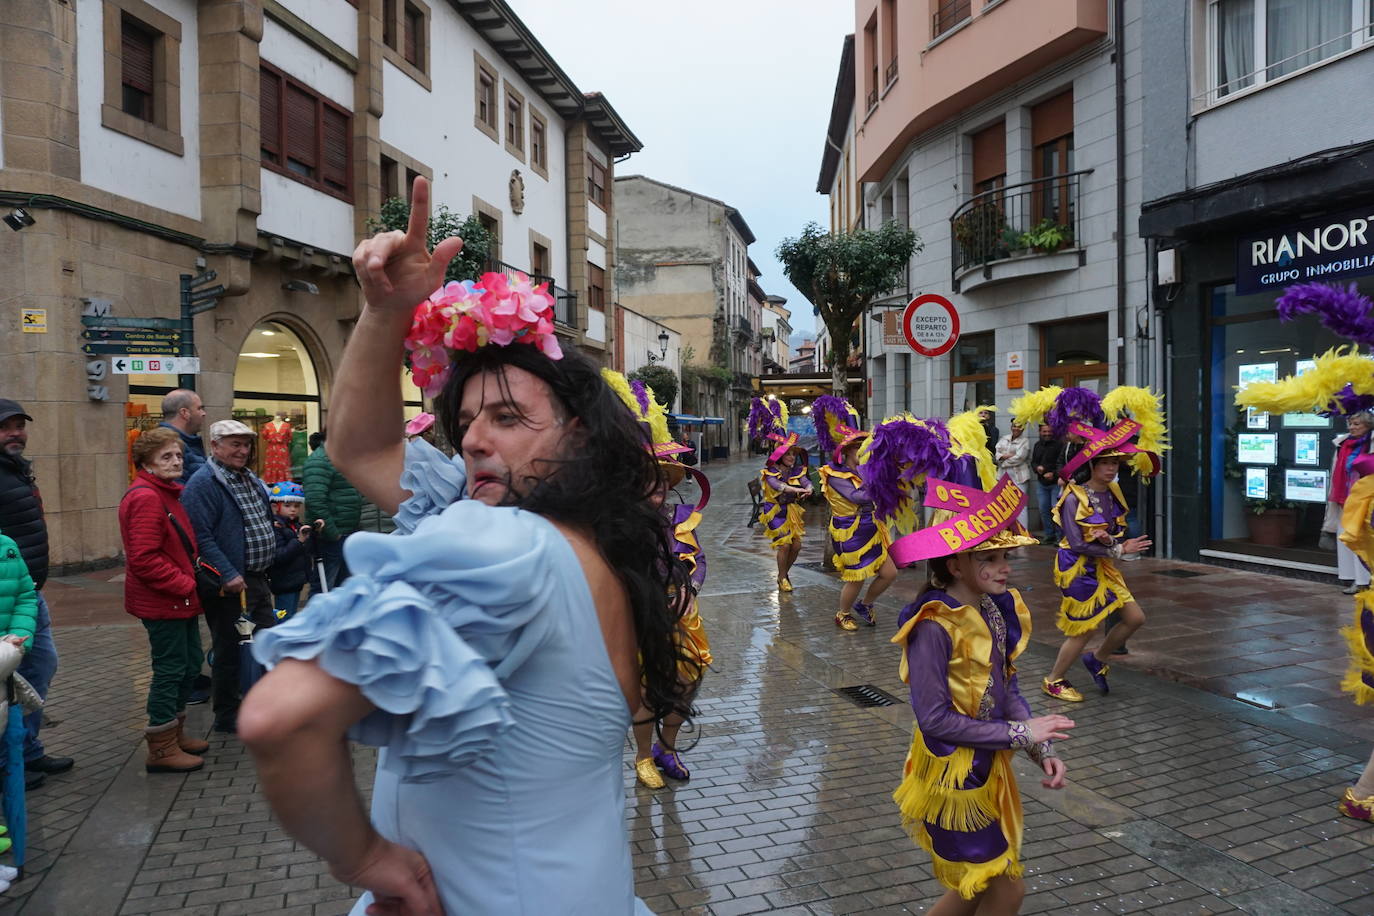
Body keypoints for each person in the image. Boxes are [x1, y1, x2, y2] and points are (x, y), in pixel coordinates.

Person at [237, 176, 693, 914]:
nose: (475, 437)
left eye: (509, 417)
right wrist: (387, 311)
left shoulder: (506, 546)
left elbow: (279, 717)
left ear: (580, 434)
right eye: (470, 416)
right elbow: (361, 447)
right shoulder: (582, 537)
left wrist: (364, 857)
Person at [887, 470, 1068, 913]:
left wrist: (1037, 745)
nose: (1005, 566)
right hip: (953, 777)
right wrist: (1021, 735)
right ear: (955, 565)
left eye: (1006, 555)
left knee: (976, 888)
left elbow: (1007, 689)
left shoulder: (994, 608)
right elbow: (935, 720)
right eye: (991, 557)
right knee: (1005, 887)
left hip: (989, 767)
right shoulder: (932, 626)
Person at [604, 370, 711, 790]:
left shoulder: (680, 517)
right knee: (647, 685)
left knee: (689, 677)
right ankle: (644, 757)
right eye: (648, 479)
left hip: (682, 612)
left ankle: (668, 746)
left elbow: (696, 560)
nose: (656, 489)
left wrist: (689, 589)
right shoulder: (616, 523)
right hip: (636, 614)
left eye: (662, 480)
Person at [118, 427, 209, 773]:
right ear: (146, 463)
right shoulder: (145, 497)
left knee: (188, 664)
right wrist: (185, 583)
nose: (176, 462)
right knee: (171, 669)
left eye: (178, 456)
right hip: (165, 599)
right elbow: (143, 558)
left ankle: (175, 734)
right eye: (166, 457)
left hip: (178, 598)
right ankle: (161, 747)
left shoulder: (166, 491)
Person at [181, 419, 278, 734]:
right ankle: (228, 714)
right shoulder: (203, 483)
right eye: (235, 444)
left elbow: (260, 517)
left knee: (264, 641)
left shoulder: (247, 476)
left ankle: (261, 702)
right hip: (232, 585)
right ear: (215, 446)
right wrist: (228, 573)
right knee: (231, 647)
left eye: (246, 444)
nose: (243, 450)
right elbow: (201, 537)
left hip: (257, 578)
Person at [0, 399, 72, 788]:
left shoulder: (16, 469)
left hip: (28, 594)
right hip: (4, 601)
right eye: (6, 427)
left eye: (19, 425)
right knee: (7, 682)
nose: (15, 433)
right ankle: (10, 762)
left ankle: (25, 750)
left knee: (39, 667)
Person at [812, 395, 896, 630]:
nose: (865, 451)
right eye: (860, 447)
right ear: (847, 450)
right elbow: (857, 497)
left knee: (889, 573)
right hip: (851, 532)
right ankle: (843, 613)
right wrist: (881, 483)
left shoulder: (867, 470)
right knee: (857, 576)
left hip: (873, 528)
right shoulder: (834, 474)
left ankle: (865, 604)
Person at [748, 396, 812, 591]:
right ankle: (782, 578)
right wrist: (797, 490)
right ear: (780, 456)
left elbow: (806, 481)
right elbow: (779, 487)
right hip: (775, 511)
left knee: (797, 546)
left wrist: (809, 488)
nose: (792, 457)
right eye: (788, 454)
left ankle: (783, 575)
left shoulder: (796, 470)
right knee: (784, 545)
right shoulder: (770, 472)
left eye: (794, 454)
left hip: (791, 512)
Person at [303, 429, 362, 589]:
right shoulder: (320, 461)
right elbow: (315, 500)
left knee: (343, 588)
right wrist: (333, 534)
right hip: (331, 537)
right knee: (323, 588)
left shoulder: (342, 458)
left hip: (346, 533)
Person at [1332, 411, 1373, 594]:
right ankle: (1353, 578)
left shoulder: (1370, 443)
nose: (1352, 427)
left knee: (1360, 537)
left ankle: (1365, 580)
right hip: (1345, 497)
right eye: (1350, 423)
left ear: (1368, 426)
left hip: (1366, 498)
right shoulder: (1343, 443)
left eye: (1357, 424)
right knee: (1346, 538)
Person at [267, 482, 316, 621]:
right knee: (284, 618)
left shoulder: (295, 525)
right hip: (284, 582)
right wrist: (299, 540)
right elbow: (280, 556)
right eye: (288, 506)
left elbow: (306, 550)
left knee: (292, 616)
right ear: (275, 506)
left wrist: (314, 532)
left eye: (296, 506)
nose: (293, 510)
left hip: (296, 580)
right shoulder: (276, 528)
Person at [158, 389, 208, 483]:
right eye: (199, 408)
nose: (203, 413)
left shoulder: (187, 442)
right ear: (184, 413)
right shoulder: (168, 445)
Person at [994, 421, 1033, 529]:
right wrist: (1006, 456)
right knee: (1005, 503)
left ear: (1023, 428)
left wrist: (1003, 461)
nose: (1016, 428)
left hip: (1020, 478)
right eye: (1014, 426)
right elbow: (997, 453)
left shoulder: (1025, 441)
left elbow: (1020, 457)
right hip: (1003, 476)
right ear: (1011, 427)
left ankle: (1023, 532)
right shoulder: (1004, 438)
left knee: (1020, 504)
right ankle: (1009, 531)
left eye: (1019, 426)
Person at [1030, 425, 1064, 543]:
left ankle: (1059, 536)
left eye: (1049, 431)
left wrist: (1053, 474)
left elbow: (1061, 463)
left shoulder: (1059, 445)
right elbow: (1033, 462)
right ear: (1040, 432)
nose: (1047, 433)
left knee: (1056, 510)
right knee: (1043, 509)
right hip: (1042, 483)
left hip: (1055, 483)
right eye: (1044, 431)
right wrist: (1036, 468)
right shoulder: (1037, 445)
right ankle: (1049, 535)